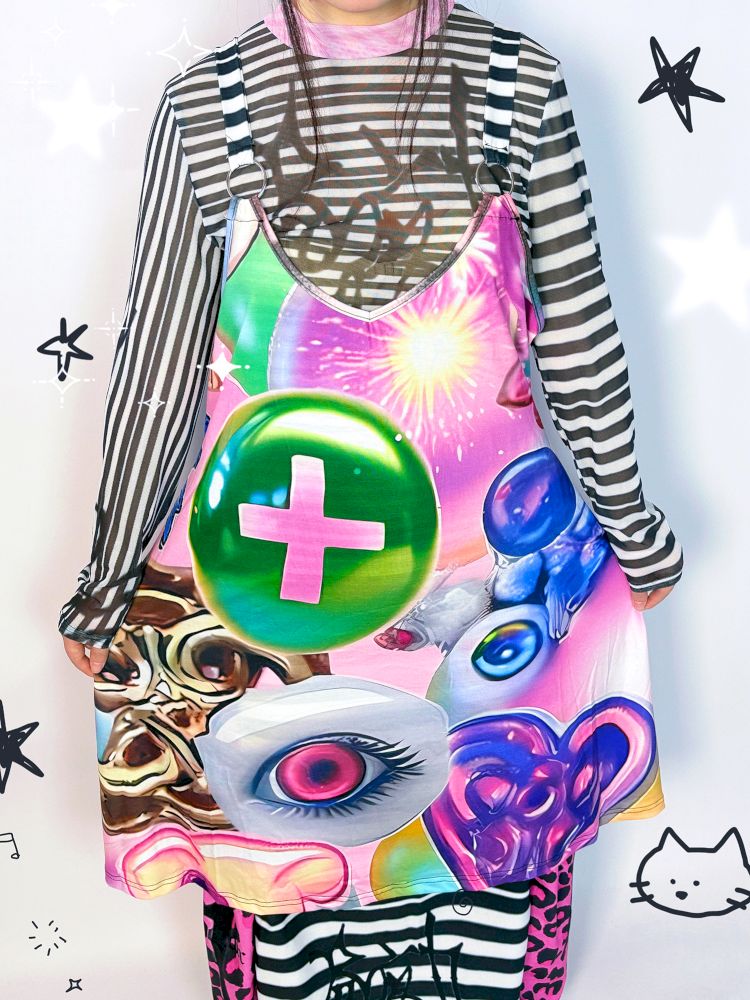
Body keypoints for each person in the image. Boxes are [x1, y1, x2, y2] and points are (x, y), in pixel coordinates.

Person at [60, 1, 683, 996]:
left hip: (438, 590)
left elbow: (578, 340)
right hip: (332, 594)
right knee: (375, 851)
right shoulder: (209, 107)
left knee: (405, 841)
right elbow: (158, 373)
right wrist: (110, 575)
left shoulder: (519, 84)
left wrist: (630, 529)